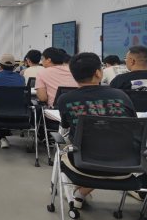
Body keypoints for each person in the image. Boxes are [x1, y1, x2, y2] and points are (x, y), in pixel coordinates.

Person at [57, 53, 137, 210]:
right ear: (98, 73)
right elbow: (133, 126)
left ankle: (78, 193)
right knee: (107, 145)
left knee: (69, 144)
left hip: (83, 164)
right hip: (127, 163)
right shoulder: (121, 95)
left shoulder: (65, 99)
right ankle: (80, 194)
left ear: (74, 75)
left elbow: (66, 127)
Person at [0, 54, 26, 149]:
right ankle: (1, 138)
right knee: (7, 105)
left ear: (0, 66)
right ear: (14, 68)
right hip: (19, 114)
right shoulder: (21, 78)